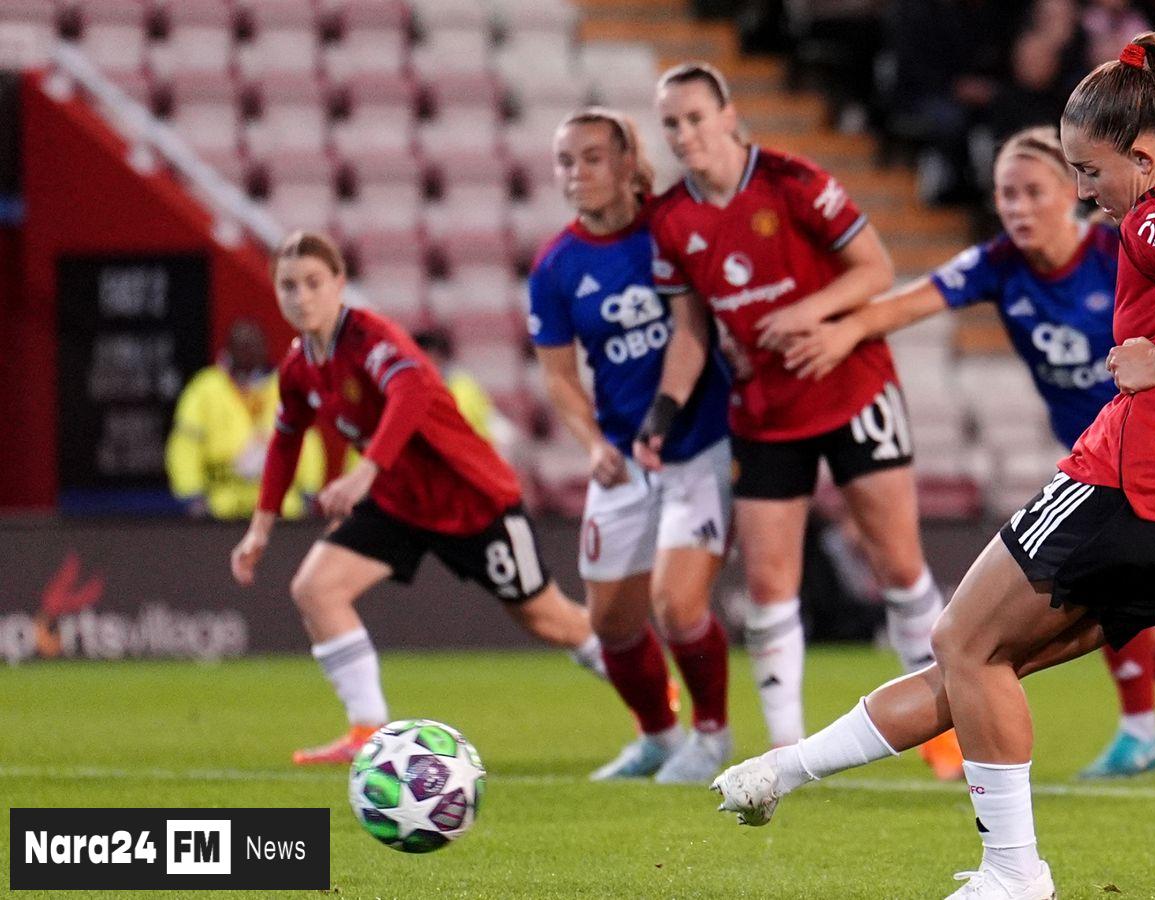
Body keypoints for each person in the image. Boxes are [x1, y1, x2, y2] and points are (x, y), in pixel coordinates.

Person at [713, 33, 1155, 899]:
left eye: (1087, 172)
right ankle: (782, 772)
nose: (1083, 191)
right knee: (976, 669)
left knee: (960, 642)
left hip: (1131, 481)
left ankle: (1014, 873)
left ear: (1141, 156)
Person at [785, 124, 1155, 780]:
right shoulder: (1000, 264)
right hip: (1093, 454)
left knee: (1111, 582)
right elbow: (912, 303)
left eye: (1033, 191)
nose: (1018, 208)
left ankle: (1142, 728)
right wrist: (845, 329)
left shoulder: (1119, 249)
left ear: (1071, 192)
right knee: (1130, 598)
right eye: (1006, 194)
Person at [639, 61, 961, 777]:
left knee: (898, 564)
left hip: (852, 385)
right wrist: (663, 411)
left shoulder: (793, 181)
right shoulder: (670, 220)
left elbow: (876, 269)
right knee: (768, 583)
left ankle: (944, 729)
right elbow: (689, 332)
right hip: (764, 409)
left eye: (695, 118)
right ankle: (785, 750)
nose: (685, 134)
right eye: (671, 124)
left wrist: (807, 313)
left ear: (728, 117)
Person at [229, 231, 606, 766]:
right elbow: (286, 441)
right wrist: (260, 528)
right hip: (400, 501)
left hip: (469, 498)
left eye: (313, 283)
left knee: (548, 620)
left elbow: (411, 392)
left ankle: (647, 684)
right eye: (288, 286)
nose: (302, 297)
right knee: (316, 589)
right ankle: (366, 731)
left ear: (339, 283)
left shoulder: (371, 338)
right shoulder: (297, 366)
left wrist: (366, 472)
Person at [530, 108, 736, 784]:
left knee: (677, 604)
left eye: (592, 158)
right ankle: (659, 737)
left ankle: (712, 737)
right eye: (565, 161)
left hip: (698, 445)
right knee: (611, 623)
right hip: (622, 457)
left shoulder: (669, 229)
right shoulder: (555, 266)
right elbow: (559, 377)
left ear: (625, 163)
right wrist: (592, 443)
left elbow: (703, 325)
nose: (576, 173)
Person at [166, 319, 324, 519]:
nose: (249, 351)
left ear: (265, 348)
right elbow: (185, 445)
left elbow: (308, 440)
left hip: (282, 502)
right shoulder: (205, 388)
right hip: (222, 502)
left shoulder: (286, 385)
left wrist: (309, 492)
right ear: (228, 349)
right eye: (242, 345)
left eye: (255, 345)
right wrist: (191, 496)